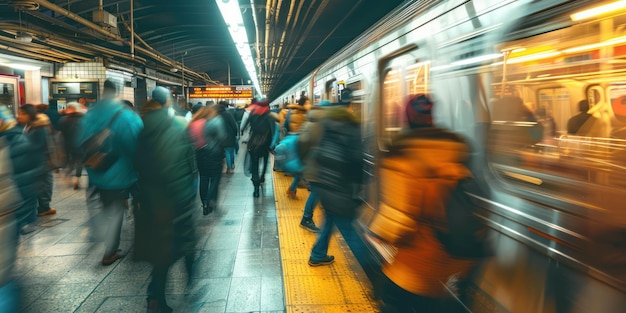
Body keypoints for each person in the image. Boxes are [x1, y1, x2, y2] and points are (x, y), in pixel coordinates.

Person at [372, 94, 479, 313]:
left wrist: (377, 233)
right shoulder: (454, 149)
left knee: (393, 301)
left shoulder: (403, 154)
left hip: (416, 262)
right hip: (452, 257)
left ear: (407, 117)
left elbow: (399, 218)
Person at [134, 86, 197, 313]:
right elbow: (186, 164)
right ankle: (189, 279)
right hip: (173, 199)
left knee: (158, 249)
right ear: (169, 101)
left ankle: (155, 296)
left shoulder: (141, 125)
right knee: (179, 245)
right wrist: (187, 195)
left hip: (147, 199)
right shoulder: (178, 125)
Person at [77, 79, 143, 266]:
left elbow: (79, 144)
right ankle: (111, 250)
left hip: (97, 171)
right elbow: (136, 146)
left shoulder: (89, 114)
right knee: (120, 211)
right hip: (122, 174)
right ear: (119, 91)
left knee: (110, 208)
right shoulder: (126, 116)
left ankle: (107, 240)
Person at [299, 94, 363, 266]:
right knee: (349, 230)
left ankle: (318, 254)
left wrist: (305, 163)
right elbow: (355, 162)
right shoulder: (348, 129)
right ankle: (373, 270)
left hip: (323, 179)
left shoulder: (325, 126)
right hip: (338, 187)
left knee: (330, 219)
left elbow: (306, 146)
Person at [0, 105, 40, 234]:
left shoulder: (15, 142)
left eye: (22, 113)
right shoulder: (19, 138)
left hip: (9, 213)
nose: (19, 116)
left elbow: (25, 183)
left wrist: (24, 217)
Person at [17, 103, 57, 217]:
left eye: (22, 114)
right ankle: (41, 207)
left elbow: (38, 146)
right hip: (34, 162)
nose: (19, 116)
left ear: (29, 114)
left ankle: (44, 207)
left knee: (44, 184)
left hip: (41, 161)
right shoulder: (29, 125)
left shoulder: (39, 127)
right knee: (40, 184)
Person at [188, 105, 226, 215]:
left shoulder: (193, 123)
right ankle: (209, 202)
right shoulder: (212, 122)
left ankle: (204, 202)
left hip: (199, 153)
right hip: (213, 153)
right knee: (215, 178)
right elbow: (222, 136)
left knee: (204, 178)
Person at [241, 99, 276, 197]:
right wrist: (273, 144)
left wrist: (243, 133)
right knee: (265, 161)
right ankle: (262, 177)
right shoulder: (269, 115)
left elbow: (244, 127)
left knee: (254, 164)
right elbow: (273, 130)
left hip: (253, 143)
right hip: (265, 143)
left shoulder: (253, 113)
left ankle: (256, 188)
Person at [285, 97, 310, 199]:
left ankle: (292, 189)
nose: (310, 105)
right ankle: (293, 189)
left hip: (293, 139)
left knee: (301, 168)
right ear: (303, 104)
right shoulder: (304, 114)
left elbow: (286, 125)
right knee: (302, 167)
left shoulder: (291, 112)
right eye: (308, 103)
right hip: (301, 141)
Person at [57, 102, 84, 190]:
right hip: (80, 144)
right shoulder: (83, 119)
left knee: (69, 162)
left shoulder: (63, 119)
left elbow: (60, 132)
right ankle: (77, 178)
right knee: (79, 162)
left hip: (67, 145)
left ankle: (68, 177)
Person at [217, 101, 239, 174]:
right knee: (231, 151)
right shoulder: (228, 114)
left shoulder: (217, 115)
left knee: (227, 152)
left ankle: (229, 168)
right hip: (230, 135)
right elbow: (234, 125)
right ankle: (231, 165)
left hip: (221, 136)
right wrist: (235, 133)